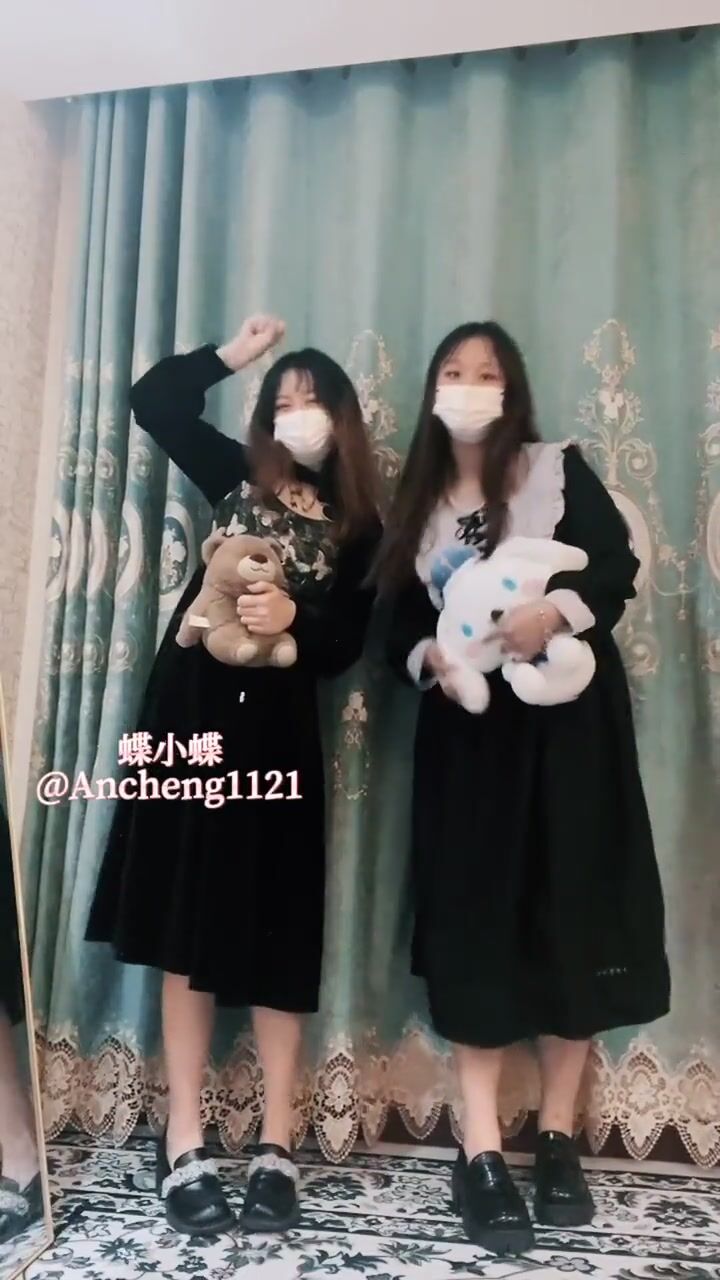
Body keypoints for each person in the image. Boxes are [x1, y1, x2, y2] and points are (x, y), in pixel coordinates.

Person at [376, 321, 670, 1258]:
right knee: (476, 924)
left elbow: (614, 569)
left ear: (514, 390)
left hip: (569, 727)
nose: (469, 386)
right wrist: (431, 657)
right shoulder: (415, 499)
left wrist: (555, 611)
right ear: (433, 389)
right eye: (454, 372)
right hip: (471, 743)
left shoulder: (556, 468)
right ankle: (480, 1150)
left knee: (572, 912)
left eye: (487, 373)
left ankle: (556, 1136)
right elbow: (393, 621)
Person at [87, 316, 381, 1237]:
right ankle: (183, 1139)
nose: (296, 415)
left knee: (279, 929)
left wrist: (298, 616)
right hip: (191, 717)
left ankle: (277, 1144)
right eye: (281, 401)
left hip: (280, 736)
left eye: (312, 401)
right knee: (188, 924)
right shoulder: (234, 476)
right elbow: (154, 402)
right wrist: (234, 356)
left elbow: (346, 646)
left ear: (342, 417)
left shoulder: (362, 525)